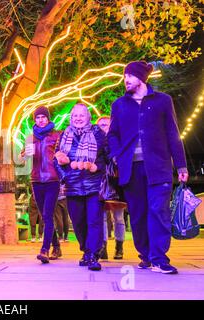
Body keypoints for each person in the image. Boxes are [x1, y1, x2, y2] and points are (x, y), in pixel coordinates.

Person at [108, 61, 188, 274]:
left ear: (142, 78)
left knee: (158, 211)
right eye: (125, 76)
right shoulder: (119, 105)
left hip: (159, 167)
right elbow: (113, 134)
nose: (126, 80)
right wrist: (116, 155)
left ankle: (159, 258)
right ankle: (145, 255)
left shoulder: (163, 101)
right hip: (131, 169)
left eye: (130, 76)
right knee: (138, 214)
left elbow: (173, 133)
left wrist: (181, 165)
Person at [55, 103, 107, 271]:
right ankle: (86, 250)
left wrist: (97, 168)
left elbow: (108, 157)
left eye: (81, 115)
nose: (78, 118)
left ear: (88, 117)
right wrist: (65, 176)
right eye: (75, 115)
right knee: (78, 222)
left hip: (94, 185)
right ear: (71, 117)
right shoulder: (64, 135)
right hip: (72, 185)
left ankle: (93, 254)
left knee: (94, 221)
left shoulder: (98, 133)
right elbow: (57, 160)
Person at [19, 106, 62, 263]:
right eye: (38, 117)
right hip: (36, 180)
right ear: (35, 120)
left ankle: (44, 250)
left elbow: (63, 153)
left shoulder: (57, 135)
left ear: (48, 118)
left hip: (53, 179)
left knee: (47, 215)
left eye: (43, 117)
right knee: (45, 215)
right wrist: (23, 155)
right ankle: (56, 246)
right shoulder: (31, 137)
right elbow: (22, 156)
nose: (41, 120)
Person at [96, 115, 127, 260]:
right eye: (101, 125)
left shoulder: (118, 141)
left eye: (106, 124)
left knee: (118, 217)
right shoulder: (96, 141)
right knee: (101, 217)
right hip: (101, 181)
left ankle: (119, 247)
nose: (104, 127)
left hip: (116, 181)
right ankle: (103, 247)